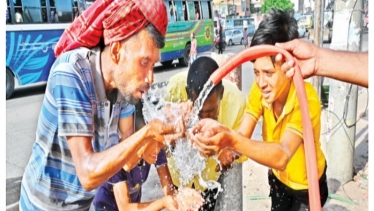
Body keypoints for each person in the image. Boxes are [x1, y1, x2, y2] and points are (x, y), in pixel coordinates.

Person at [19, 0, 199, 210]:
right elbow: (87, 173)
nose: (150, 77)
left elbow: (126, 162)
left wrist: (167, 124)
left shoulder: (123, 89)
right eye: (143, 62)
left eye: (153, 65)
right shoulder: (71, 73)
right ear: (115, 51)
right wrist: (149, 132)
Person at [190, 9, 329, 210]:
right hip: (278, 180)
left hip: (307, 188)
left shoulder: (305, 98)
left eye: (268, 73)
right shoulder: (260, 90)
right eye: (256, 72)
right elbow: (243, 134)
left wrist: (230, 139)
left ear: (289, 66)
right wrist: (222, 143)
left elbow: (282, 155)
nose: (261, 82)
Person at [164, 57, 247, 211]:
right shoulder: (175, 90)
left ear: (221, 93)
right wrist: (175, 127)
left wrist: (229, 153)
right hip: (179, 178)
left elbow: (242, 144)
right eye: (200, 112)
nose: (205, 118)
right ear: (189, 95)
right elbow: (163, 139)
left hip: (209, 179)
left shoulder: (237, 104)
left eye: (211, 111)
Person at [93, 108, 204, 211]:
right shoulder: (118, 155)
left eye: (161, 143)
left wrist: (181, 198)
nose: (159, 148)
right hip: (106, 206)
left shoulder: (156, 146)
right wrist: (163, 203)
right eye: (156, 142)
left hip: (135, 205)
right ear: (141, 139)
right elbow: (125, 208)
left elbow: (169, 192)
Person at [275, 38, 368, 88]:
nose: (262, 83)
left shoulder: (308, 96)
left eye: (269, 73)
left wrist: (316, 60)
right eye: (259, 73)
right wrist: (316, 59)